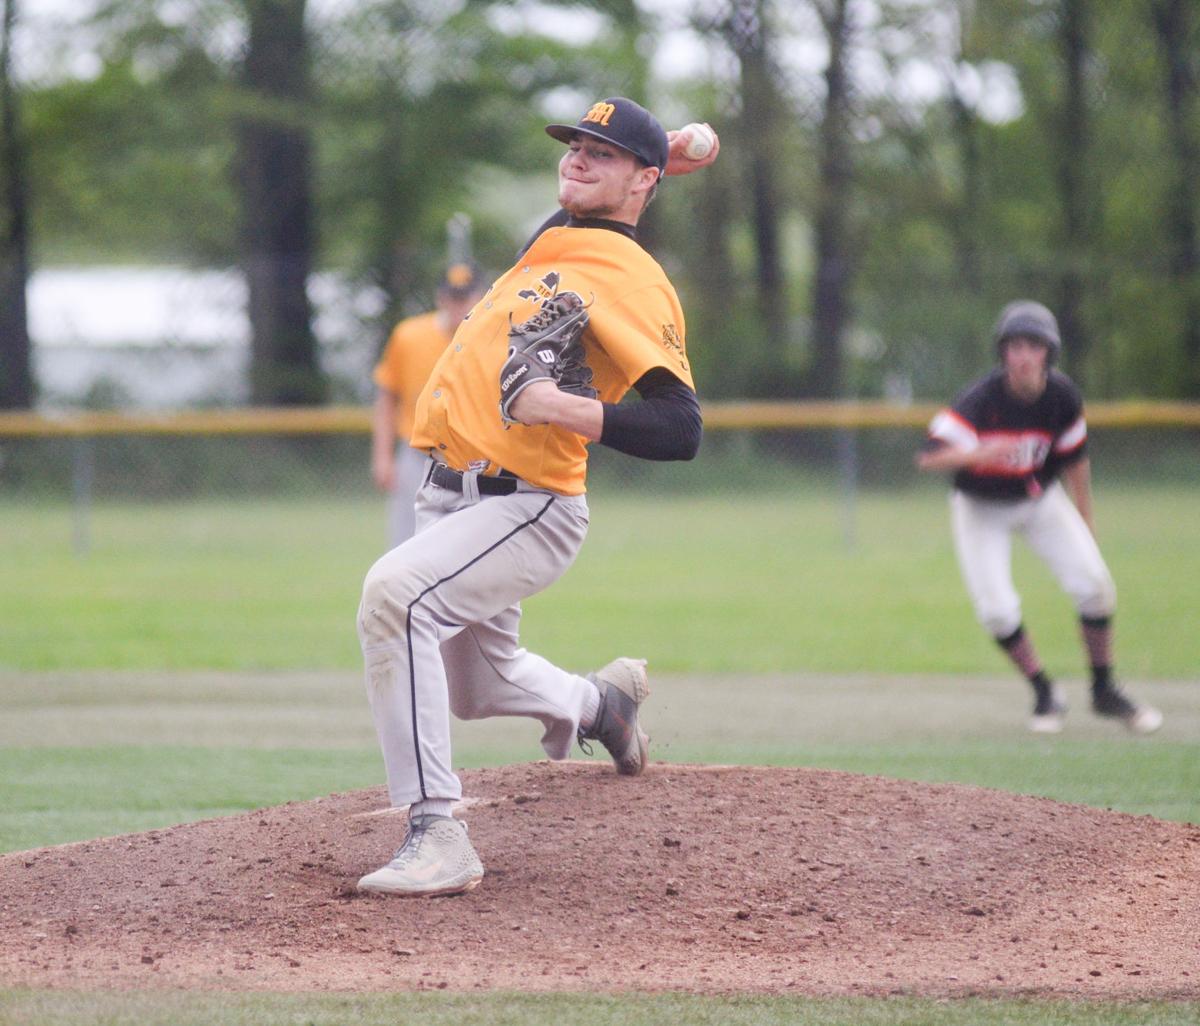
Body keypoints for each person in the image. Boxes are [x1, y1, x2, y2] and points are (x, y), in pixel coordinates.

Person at [354, 97, 713, 897]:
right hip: (448, 493)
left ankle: (435, 831)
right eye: (577, 144)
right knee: (477, 687)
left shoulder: (635, 281)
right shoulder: (557, 242)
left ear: (640, 180)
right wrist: (651, 173)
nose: (578, 159)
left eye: (604, 153)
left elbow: (680, 427)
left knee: (395, 598)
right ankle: (602, 708)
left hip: (529, 503)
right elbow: (583, 211)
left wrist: (567, 409)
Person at [917, 300, 1163, 736]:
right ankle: (1044, 690)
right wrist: (975, 453)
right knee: (996, 611)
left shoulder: (1062, 397)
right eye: (1013, 346)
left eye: (1033, 346)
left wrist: (1086, 519)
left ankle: (1104, 690)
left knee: (1095, 585)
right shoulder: (982, 398)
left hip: (1037, 501)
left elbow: (1075, 460)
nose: (1023, 356)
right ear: (1003, 353)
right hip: (981, 508)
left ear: (1049, 352)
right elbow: (928, 457)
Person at [370, 263, 485, 548]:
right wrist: (382, 457)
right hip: (418, 456)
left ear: (482, 298)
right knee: (405, 546)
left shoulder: (491, 339)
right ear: (440, 298)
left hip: (476, 459)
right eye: (452, 298)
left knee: (471, 549)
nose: (458, 305)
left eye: (466, 297)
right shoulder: (409, 336)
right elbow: (387, 398)